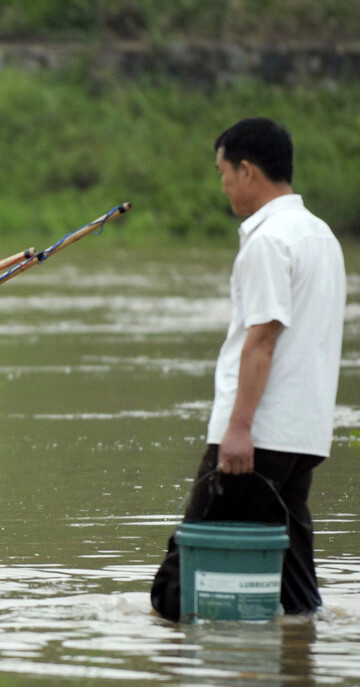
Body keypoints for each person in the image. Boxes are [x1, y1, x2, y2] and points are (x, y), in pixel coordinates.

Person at [150, 117, 346, 621]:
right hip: (304, 436)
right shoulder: (320, 236)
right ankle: (298, 675)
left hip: (255, 438)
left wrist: (238, 429)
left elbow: (262, 340)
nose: (223, 185)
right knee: (296, 590)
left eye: (223, 172)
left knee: (175, 589)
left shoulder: (268, 241)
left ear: (247, 170)